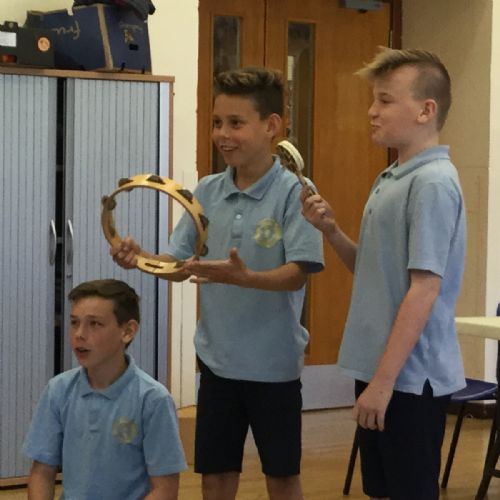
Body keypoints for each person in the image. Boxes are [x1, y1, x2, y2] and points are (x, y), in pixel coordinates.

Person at [110, 67, 324, 500]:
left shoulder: (294, 192)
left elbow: (298, 272)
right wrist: (140, 259)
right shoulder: (206, 191)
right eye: (217, 122)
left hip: (275, 367)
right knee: (215, 476)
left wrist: (246, 278)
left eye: (236, 123)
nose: (223, 134)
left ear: (271, 126)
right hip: (217, 364)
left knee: (282, 477)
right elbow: (178, 262)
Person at [301, 47, 466, 500]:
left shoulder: (433, 182)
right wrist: (332, 231)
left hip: (410, 379)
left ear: (425, 110)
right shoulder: (392, 177)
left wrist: (384, 383)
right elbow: (373, 271)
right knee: (383, 490)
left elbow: (424, 290)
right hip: (382, 370)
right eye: (374, 99)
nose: (372, 111)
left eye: (386, 100)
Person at [23, 279, 187, 500]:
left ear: (128, 331)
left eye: (95, 324)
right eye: (74, 323)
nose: (79, 334)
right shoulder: (58, 390)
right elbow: (42, 472)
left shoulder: (153, 400)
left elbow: (165, 490)